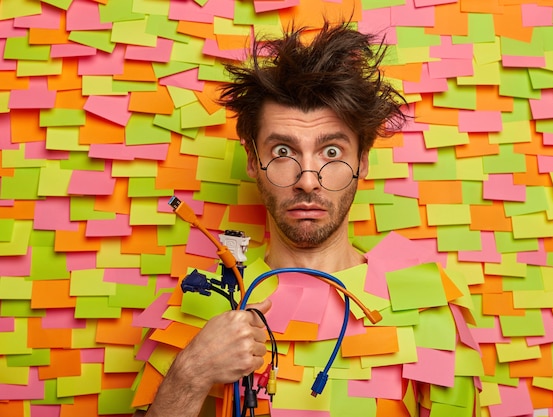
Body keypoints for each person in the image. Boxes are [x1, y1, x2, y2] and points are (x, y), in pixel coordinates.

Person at [132, 21, 482, 417]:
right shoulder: (201, 301)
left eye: (331, 153)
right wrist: (190, 375)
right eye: (283, 151)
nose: (308, 181)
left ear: (362, 161)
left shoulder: (428, 306)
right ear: (253, 161)